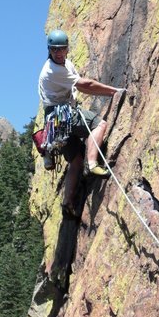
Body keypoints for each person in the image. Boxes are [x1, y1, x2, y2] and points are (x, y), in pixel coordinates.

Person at [38, 29, 124, 215]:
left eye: (62, 49)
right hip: (61, 115)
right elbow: (86, 86)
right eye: (54, 50)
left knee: (75, 161)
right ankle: (93, 164)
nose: (59, 53)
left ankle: (67, 203)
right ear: (49, 50)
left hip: (54, 121)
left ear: (67, 48)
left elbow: (80, 85)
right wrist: (113, 91)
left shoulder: (64, 64)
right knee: (99, 125)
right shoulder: (52, 71)